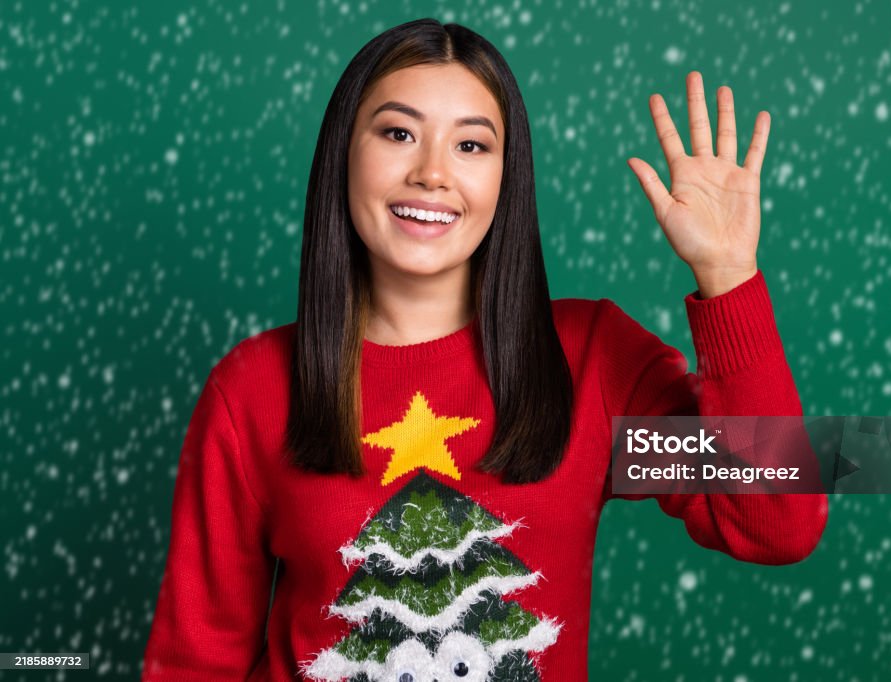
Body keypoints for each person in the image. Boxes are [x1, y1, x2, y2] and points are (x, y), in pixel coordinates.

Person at [141, 17, 828, 682]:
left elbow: (777, 520)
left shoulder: (589, 363)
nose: (432, 173)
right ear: (344, 152)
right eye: (398, 133)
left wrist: (728, 276)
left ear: (507, 176)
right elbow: (195, 663)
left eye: (471, 145)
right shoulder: (252, 390)